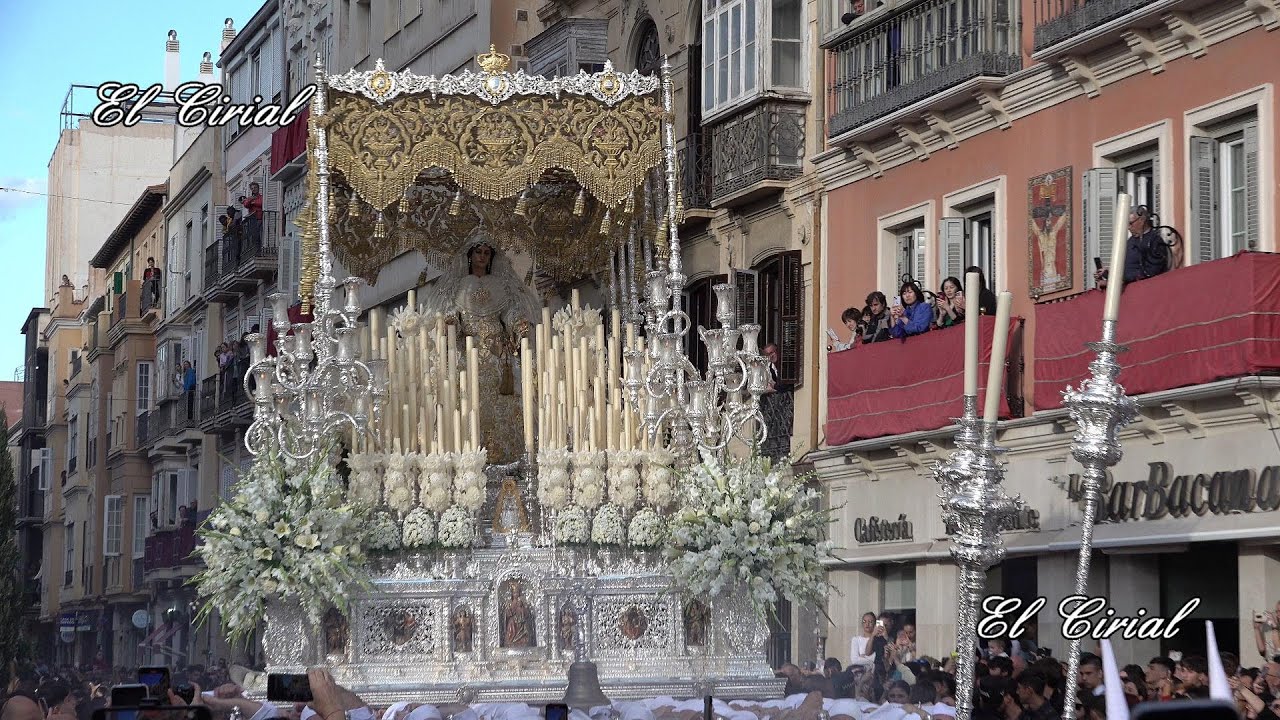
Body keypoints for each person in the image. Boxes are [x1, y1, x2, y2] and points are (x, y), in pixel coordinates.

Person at [426, 231, 540, 463]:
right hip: (469, 354)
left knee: (506, 400)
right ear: (469, 255)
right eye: (478, 252)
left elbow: (509, 312)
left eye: (487, 253)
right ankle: (470, 453)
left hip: (498, 356)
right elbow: (451, 316)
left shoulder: (500, 285)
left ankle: (509, 455)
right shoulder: (459, 286)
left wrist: (519, 324)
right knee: (469, 399)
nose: (482, 257)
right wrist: (450, 323)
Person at [1094, 205, 1172, 288]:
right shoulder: (1130, 241)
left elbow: (1149, 272)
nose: (1128, 227)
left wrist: (1116, 277)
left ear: (1142, 220)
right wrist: (1108, 274)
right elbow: (1127, 270)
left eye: (1130, 223)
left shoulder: (1154, 240)